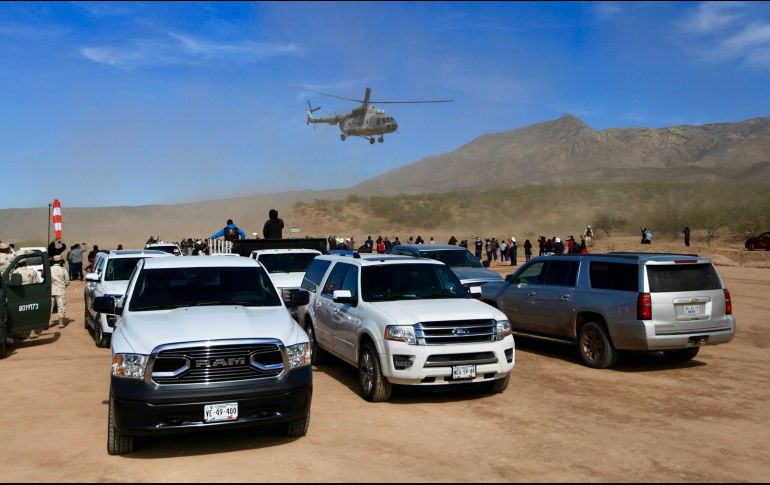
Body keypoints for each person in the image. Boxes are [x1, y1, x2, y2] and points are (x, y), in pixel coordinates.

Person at [50, 255, 69, 329]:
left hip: (51, 290)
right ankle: (60, 323)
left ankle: (46, 323)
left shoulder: (50, 269)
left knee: (50, 306)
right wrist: (63, 285)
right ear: (60, 261)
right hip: (60, 290)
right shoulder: (63, 269)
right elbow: (67, 281)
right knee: (61, 306)